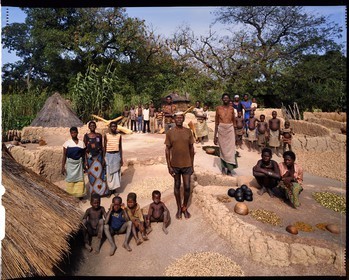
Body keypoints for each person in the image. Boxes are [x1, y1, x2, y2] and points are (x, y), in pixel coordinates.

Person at [165, 112, 195, 220]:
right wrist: (169, 165)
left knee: (187, 186)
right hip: (175, 165)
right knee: (177, 185)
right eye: (177, 118)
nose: (178, 119)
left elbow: (192, 148)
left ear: (183, 119)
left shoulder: (188, 132)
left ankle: (184, 207)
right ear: (174, 119)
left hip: (187, 164)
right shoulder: (170, 133)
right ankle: (178, 208)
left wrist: (192, 165)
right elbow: (167, 150)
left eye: (180, 118)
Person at [214, 93, 238, 176]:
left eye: (227, 98)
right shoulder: (218, 108)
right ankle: (223, 168)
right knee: (222, 150)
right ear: (222, 99)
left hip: (230, 130)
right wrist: (215, 136)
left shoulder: (232, 109)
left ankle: (229, 169)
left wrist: (235, 135)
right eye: (224, 98)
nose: (225, 99)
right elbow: (216, 122)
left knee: (230, 150)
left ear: (229, 99)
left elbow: (234, 122)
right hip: (221, 130)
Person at [84, 121, 108, 197]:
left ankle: (101, 192)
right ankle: (94, 192)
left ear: (95, 126)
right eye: (91, 125)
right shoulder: (86, 136)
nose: (92, 126)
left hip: (99, 158)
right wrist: (85, 161)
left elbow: (102, 148)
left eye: (94, 125)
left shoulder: (99, 136)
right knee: (91, 176)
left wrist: (103, 158)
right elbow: (85, 149)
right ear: (88, 127)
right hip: (90, 159)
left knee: (100, 175)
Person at [61, 126, 86, 199]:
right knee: (70, 179)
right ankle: (71, 195)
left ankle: (79, 195)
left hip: (79, 164)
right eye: (72, 133)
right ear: (70, 134)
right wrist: (62, 167)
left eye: (75, 132)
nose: (73, 134)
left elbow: (83, 155)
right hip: (70, 164)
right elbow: (64, 155)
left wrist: (84, 165)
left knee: (79, 179)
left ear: (77, 133)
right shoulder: (67, 143)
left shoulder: (82, 144)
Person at [104, 121, 123, 196]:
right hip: (109, 155)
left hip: (116, 155)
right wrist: (104, 157)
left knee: (116, 173)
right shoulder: (106, 135)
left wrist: (121, 158)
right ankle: (110, 189)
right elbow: (104, 147)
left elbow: (120, 147)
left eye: (115, 126)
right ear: (110, 127)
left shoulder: (119, 135)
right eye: (112, 126)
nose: (113, 128)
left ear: (116, 127)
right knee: (109, 173)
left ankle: (114, 190)